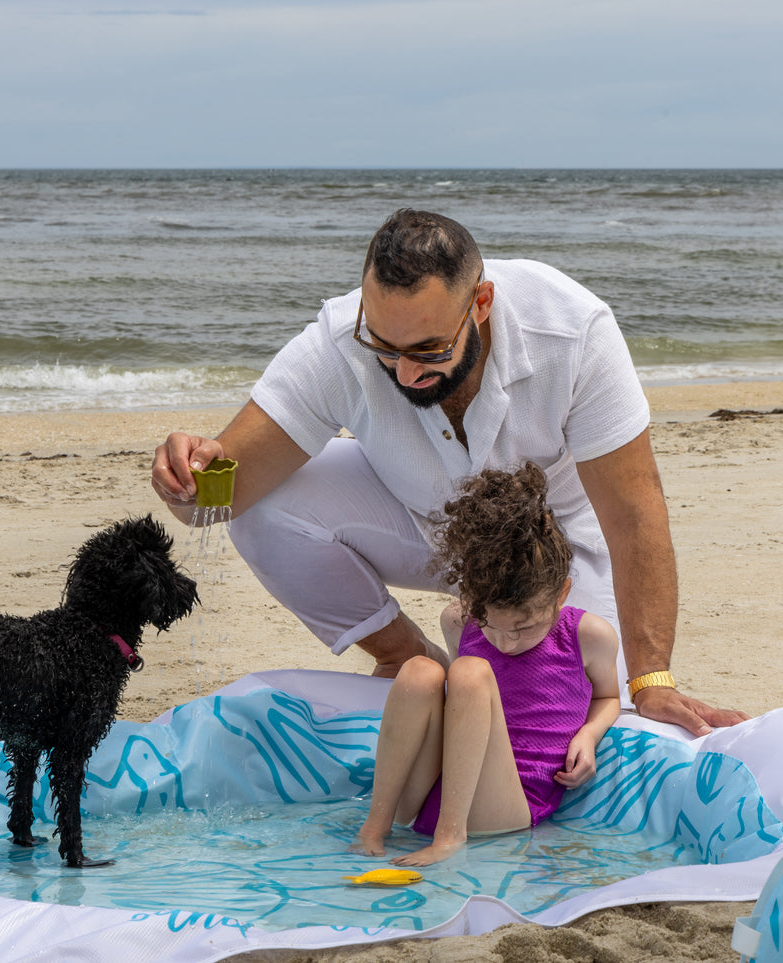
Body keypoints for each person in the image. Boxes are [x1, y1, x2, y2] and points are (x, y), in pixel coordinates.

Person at [151, 208, 746, 735]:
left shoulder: (572, 330)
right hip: (422, 526)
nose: (405, 373)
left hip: (552, 557)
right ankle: (406, 656)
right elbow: (218, 498)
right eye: (385, 347)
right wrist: (189, 477)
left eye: (429, 351)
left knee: (564, 722)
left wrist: (652, 678)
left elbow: (633, 513)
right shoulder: (338, 343)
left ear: (480, 305)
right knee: (267, 509)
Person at [349, 463, 622, 866]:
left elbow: (609, 696)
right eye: (491, 623)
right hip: (435, 794)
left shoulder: (588, 635)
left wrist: (589, 735)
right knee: (421, 670)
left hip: (508, 801)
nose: (505, 641)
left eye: (524, 627)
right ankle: (376, 825)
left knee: (469, 672)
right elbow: (461, 715)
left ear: (561, 593)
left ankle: (450, 836)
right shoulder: (460, 620)